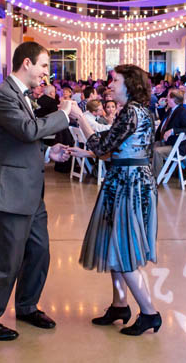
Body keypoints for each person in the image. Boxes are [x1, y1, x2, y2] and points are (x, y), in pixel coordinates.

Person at [0, 41, 72, 342]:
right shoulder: (2, 95)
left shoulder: (20, 95)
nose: (45, 73)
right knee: (7, 260)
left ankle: (26, 305)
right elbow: (27, 130)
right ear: (27, 63)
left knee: (39, 252)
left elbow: (21, 140)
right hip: (8, 194)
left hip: (29, 192)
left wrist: (47, 153)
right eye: (43, 66)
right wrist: (63, 114)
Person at [68, 64, 161, 336]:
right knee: (115, 245)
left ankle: (150, 313)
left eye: (115, 80)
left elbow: (103, 146)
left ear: (129, 85)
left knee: (123, 248)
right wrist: (87, 153)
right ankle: (120, 305)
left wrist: (79, 117)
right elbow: (121, 148)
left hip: (127, 185)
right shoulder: (139, 110)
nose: (110, 85)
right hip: (131, 180)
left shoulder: (131, 111)